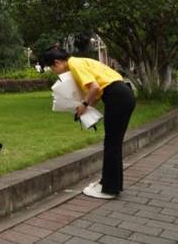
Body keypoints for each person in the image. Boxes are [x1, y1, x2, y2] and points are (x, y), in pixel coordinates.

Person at [44, 46, 135, 199]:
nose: (55, 72)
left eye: (52, 68)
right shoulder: (81, 61)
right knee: (114, 143)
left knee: (112, 144)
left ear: (57, 62)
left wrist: (84, 105)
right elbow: (99, 90)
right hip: (123, 94)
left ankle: (109, 189)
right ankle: (109, 183)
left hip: (118, 97)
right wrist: (88, 106)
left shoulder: (74, 65)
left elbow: (94, 87)